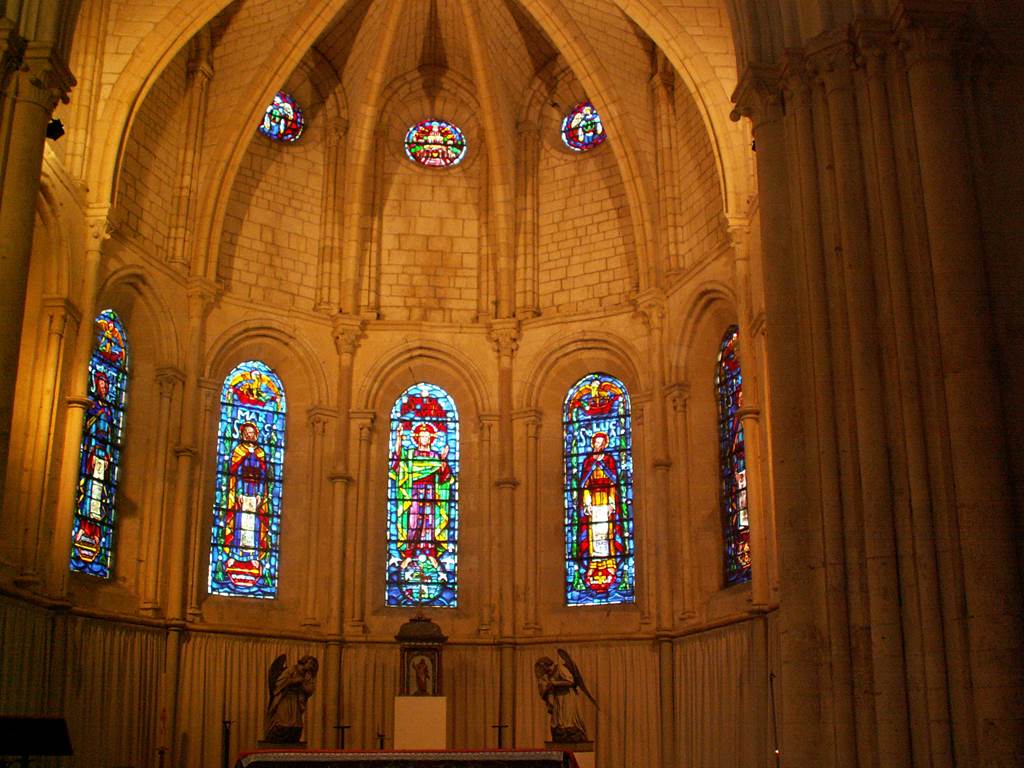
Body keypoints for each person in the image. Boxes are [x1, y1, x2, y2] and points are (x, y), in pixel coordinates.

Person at [390, 422, 453, 569]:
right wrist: (398, 437)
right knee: (413, 523)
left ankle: (431, 553)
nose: (425, 439)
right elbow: (399, 458)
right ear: (417, 438)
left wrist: (443, 460)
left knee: (429, 522)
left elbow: (444, 476)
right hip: (414, 491)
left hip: (431, 492)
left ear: (431, 439)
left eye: (427, 436)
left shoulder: (435, 455)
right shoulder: (411, 454)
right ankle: (408, 554)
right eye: (422, 436)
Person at [576, 431, 627, 592]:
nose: (598, 445)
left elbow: (613, 483)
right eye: (596, 442)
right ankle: (593, 563)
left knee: (607, 533)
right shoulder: (588, 461)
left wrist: (612, 503)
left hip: (605, 501)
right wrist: (587, 503)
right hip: (593, 502)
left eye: (601, 443)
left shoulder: (609, 460)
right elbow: (584, 485)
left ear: (605, 444)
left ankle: (610, 563)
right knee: (593, 533)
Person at [224, 421, 270, 585]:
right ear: (243, 435)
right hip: (242, 494)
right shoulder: (238, 451)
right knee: (239, 524)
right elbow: (235, 473)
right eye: (247, 433)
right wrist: (238, 493)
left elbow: (263, 476)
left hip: (255, 494)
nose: (249, 435)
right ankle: (235, 555)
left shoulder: (260, 453)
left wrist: (260, 494)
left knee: (254, 527)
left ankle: (253, 557)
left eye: (252, 433)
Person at [265, 656, 318, 743]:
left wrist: (302, 684)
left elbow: (310, 689)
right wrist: (293, 681)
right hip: (285, 698)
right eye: (310, 663)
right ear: (304, 662)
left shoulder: (308, 675)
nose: (311, 666)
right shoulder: (291, 670)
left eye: (313, 665)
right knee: (283, 721)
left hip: (296, 700)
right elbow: (279, 683)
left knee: (296, 724)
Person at [534, 656, 588, 743]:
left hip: (567, 696)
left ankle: (571, 733)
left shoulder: (560, 668)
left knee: (568, 718)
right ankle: (561, 734)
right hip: (558, 697)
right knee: (557, 719)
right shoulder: (548, 674)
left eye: (543, 667)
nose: (543, 670)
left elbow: (570, 681)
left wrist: (556, 683)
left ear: (546, 665)